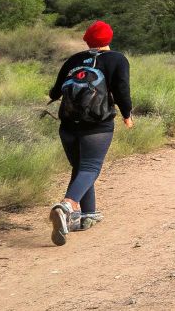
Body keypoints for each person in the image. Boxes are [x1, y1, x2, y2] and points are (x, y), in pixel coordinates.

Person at [47, 20, 133, 246]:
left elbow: (55, 92)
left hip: (67, 125)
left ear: (87, 39)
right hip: (97, 124)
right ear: (109, 38)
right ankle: (67, 206)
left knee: (81, 168)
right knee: (90, 168)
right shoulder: (117, 59)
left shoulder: (74, 60)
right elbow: (121, 89)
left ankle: (87, 216)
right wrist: (127, 114)